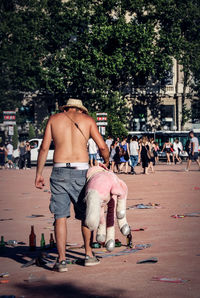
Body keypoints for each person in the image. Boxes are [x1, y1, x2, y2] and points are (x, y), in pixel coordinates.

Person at [35, 98, 109, 272]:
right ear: (81, 110)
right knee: (85, 214)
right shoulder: (88, 120)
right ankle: (89, 255)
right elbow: (102, 146)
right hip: (81, 172)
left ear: (66, 108)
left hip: (59, 171)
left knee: (60, 216)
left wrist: (38, 174)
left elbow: (44, 148)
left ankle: (61, 261)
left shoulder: (54, 119)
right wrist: (106, 161)